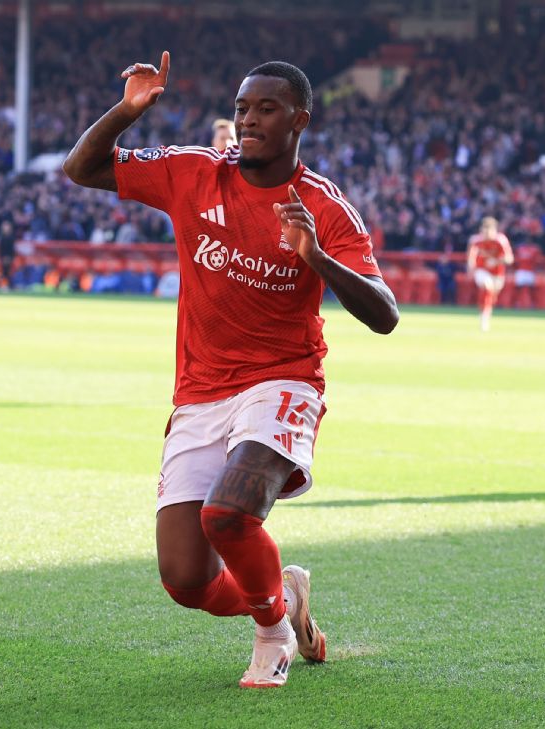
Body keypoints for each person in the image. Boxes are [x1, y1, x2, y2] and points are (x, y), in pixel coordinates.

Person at [62, 52, 398, 688]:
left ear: (300, 120)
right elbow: (81, 168)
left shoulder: (323, 208)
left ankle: (272, 635)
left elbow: (385, 314)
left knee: (228, 516)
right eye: (242, 108)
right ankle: (284, 596)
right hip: (200, 392)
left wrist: (317, 258)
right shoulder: (193, 172)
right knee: (186, 579)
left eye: (265, 109)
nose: (247, 120)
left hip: (282, 381)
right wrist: (128, 112)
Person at [465, 217, 513, 330]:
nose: (486, 234)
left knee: (491, 296)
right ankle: (484, 318)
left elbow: (510, 259)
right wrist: (470, 266)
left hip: (497, 273)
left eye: (489, 231)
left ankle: (485, 312)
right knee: (487, 286)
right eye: (484, 231)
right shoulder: (476, 240)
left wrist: (496, 261)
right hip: (481, 270)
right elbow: (470, 256)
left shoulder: (501, 240)